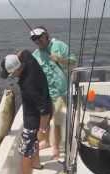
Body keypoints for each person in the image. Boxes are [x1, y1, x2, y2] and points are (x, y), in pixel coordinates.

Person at [0, 50, 52, 174]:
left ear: (16, 70)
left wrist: (42, 129)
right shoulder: (28, 59)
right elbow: (23, 51)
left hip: (35, 119)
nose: (11, 77)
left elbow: (44, 110)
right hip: (46, 103)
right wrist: (15, 58)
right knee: (34, 142)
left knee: (26, 153)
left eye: (11, 74)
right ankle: (37, 164)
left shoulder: (28, 85)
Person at [30, 26, 77, 160]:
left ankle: (55, 147)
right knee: (44, 119)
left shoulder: (60, 45)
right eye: (34, 38)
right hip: (45, 94)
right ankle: (45, 141)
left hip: (61, 92)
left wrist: (60, 59)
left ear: (46, 35)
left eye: (39, 37)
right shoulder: (35, 55)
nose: (37, 40)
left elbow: (73, 63)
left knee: (57, 119)